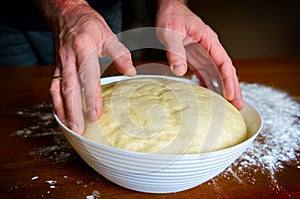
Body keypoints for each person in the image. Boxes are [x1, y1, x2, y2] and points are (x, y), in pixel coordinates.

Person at [2, 0, 243, 134]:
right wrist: (68, 8)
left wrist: (173, 4)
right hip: (9, 20)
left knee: (89, 100)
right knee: (14, 111)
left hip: (100, 16)